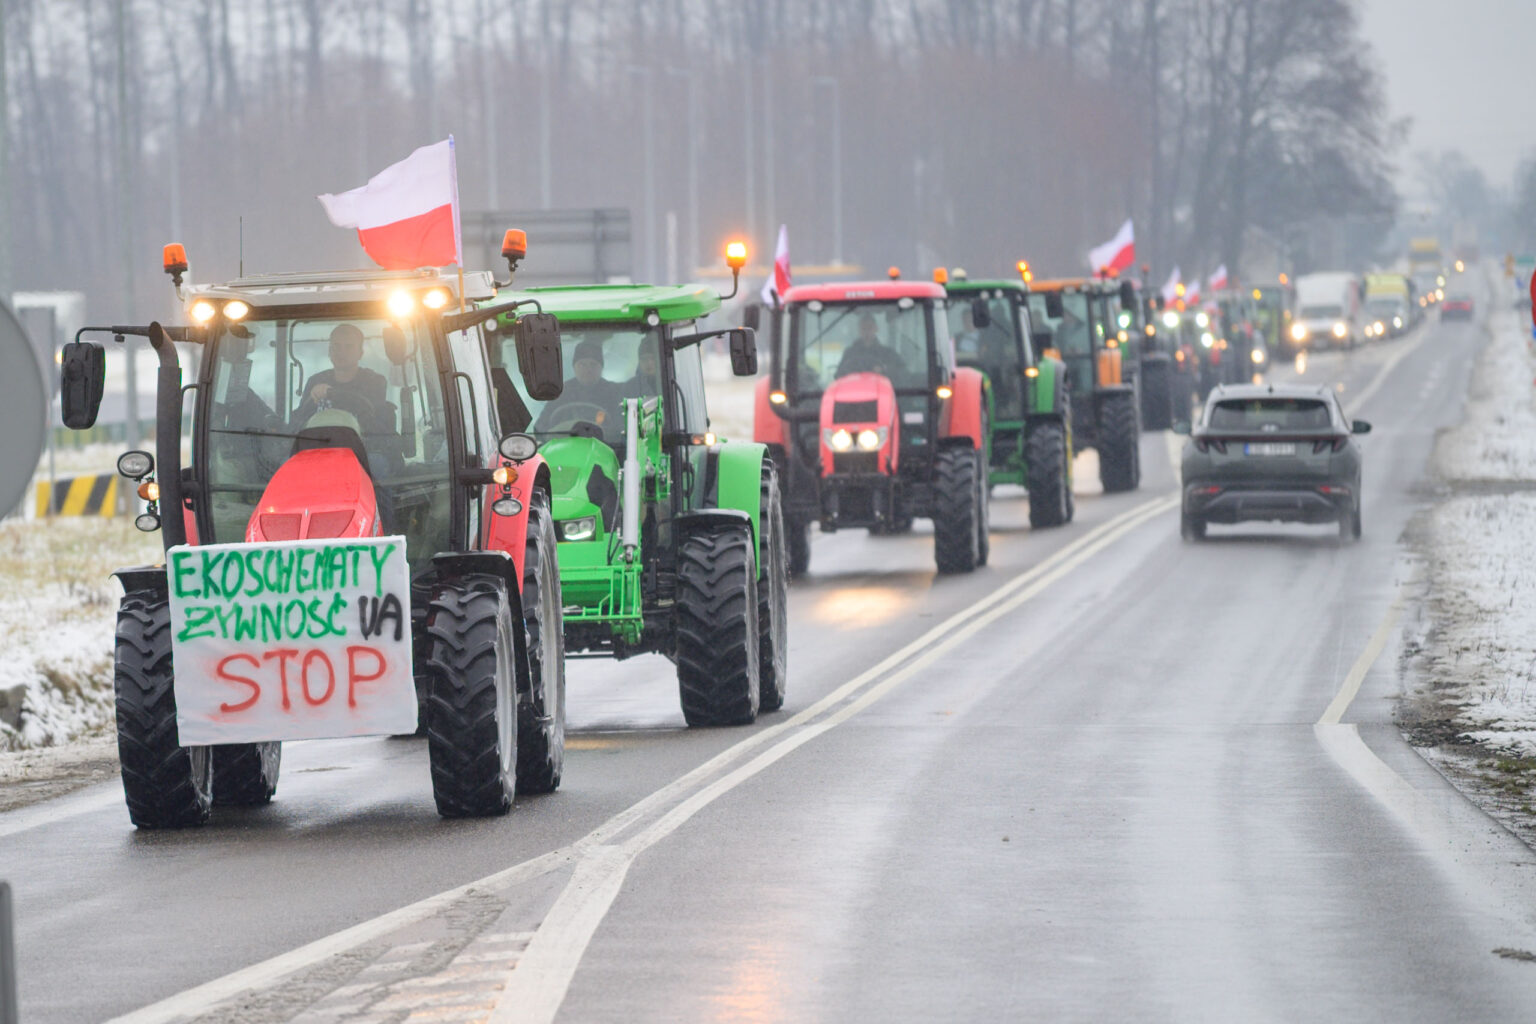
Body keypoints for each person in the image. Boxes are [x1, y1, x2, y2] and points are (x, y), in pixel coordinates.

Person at [294, 323, 389, 432]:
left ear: (360, 353)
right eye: (336, 346)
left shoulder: (374, 382)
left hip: (361, 447)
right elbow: (300, 422)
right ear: (329, 351)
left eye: (349, 347)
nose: (341, 352)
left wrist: (331, 393)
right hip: (320, 445)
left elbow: (376, 426)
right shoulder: (315, 381)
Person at [536, 335, 624, 434]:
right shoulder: (561, 392)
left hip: (607, 445)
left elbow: (622, 427)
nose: (588, 370)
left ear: (601, 368)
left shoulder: (615, 392)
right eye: (582, 364)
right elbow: (541, 427)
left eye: (593, 364)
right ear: (574, 367)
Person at [836, 313, 904, 378]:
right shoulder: (849, 353)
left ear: (876, 329)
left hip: (882, 389)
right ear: (859, 330)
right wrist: (851, 372)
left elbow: (901, 371)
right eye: (863, 328)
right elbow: (838, 375)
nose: (867, 332)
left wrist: (884, 369)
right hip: (854, 389)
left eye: (870, 327)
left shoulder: (888, 354)